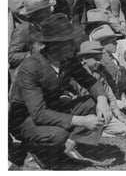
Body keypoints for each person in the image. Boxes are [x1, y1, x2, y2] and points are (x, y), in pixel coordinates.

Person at [9, 13, 111, 169]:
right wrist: (82, 120)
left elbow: (90, 82)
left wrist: (103, 100)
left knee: (95, 101)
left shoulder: (68, 60)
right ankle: (31, 154)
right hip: (25, 119)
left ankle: (65, 147)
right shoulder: (31, 67)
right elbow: (39, 114)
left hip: (52, 109)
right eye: (70, 42)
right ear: (55, 45)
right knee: (57, 134)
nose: (75, 45)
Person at [75, 40, 126, 138]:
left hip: (103, 113)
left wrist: (118, 115)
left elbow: (110, 97)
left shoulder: (100, 76)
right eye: (95, 59)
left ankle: (100, 131)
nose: (99, 62)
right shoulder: (76, 76)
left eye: (100, 59)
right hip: (86, 114)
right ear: (84, 58)